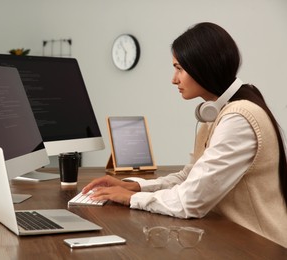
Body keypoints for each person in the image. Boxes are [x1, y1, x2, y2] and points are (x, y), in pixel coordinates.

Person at [83, 22, 287, 247]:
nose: (174, 79)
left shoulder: (238, 119)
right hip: (236, 239)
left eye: (179, 68)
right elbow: (189, 178)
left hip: (261, 247)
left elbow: (191, 200)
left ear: (203, 67)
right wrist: (137, 187)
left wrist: (132, 199)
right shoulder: (219, 113)